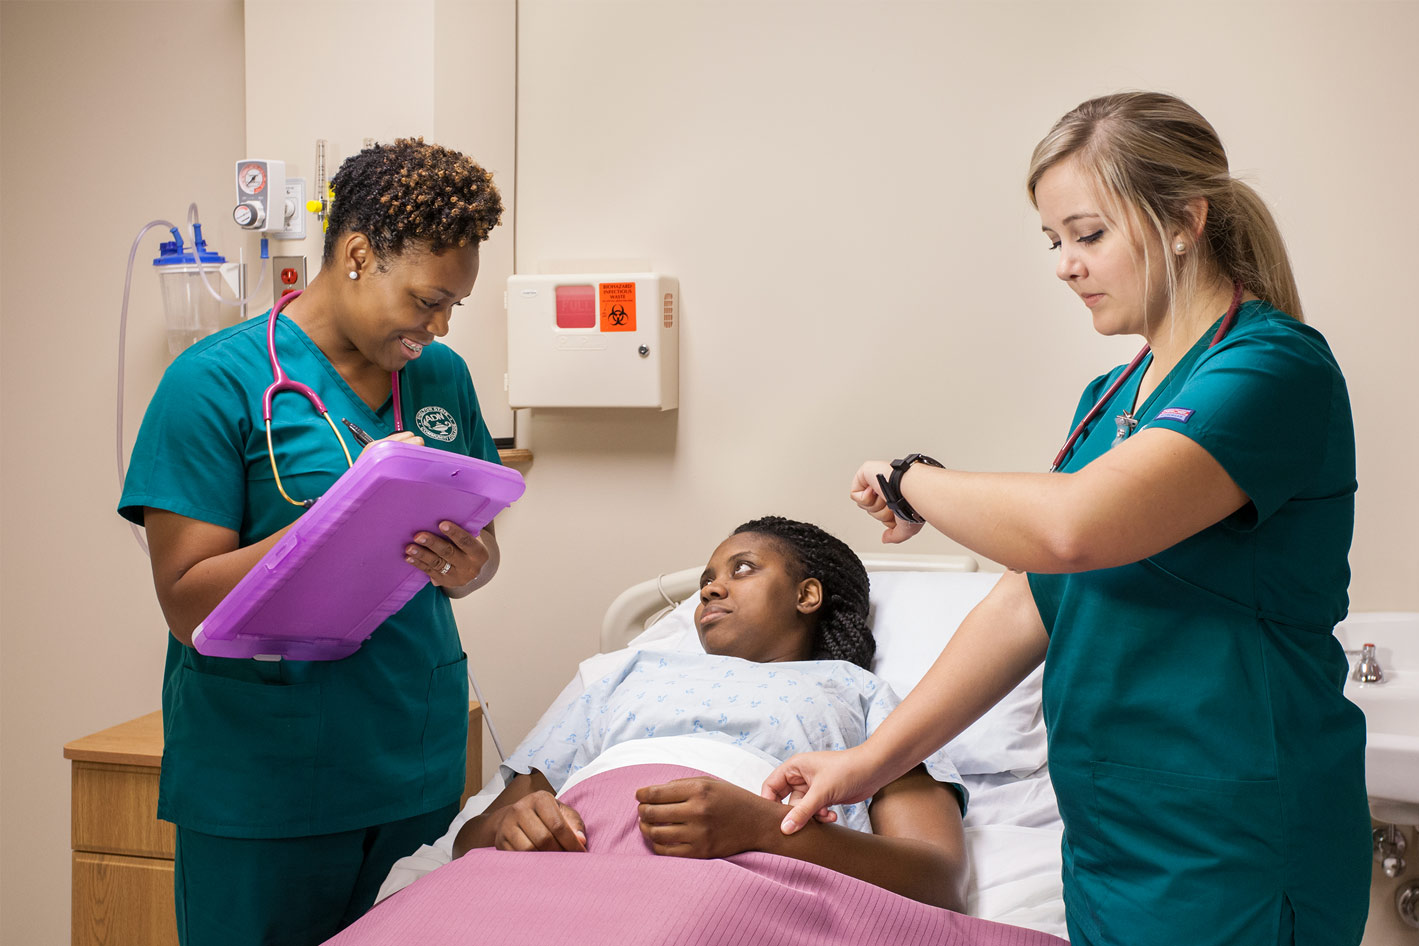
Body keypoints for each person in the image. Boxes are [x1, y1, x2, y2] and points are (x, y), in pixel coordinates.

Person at [762, 92, 1369, 946]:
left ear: (1183, 222)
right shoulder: (1110, 400)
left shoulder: (1271, 370)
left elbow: (1073, 527)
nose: (1064, 264)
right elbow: (1033, 596)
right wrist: (869, 763)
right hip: (1110, 834)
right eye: (1053, 241)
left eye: (1087, 235)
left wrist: (912, 480)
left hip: (1234, 836)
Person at [119, 138, 506, 946]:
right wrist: (337, 515)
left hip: (412, 761)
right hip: (264, 785)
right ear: (359, 254)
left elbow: (480, 539)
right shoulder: (212, 383)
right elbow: (186, 600)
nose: (436, 329)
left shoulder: (442, 381)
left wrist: (472, 566)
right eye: (427, 300)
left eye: (451, 310)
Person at [449, 516, 970, 912]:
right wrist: (509, 826)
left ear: (807, 595)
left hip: (749, 876)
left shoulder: (858, 691)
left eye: (741, 569)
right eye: (707, 578)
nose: (709, 588)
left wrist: (764, 829)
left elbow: (937, 879)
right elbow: (468, 843)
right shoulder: (626, 673)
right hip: (573, 866)